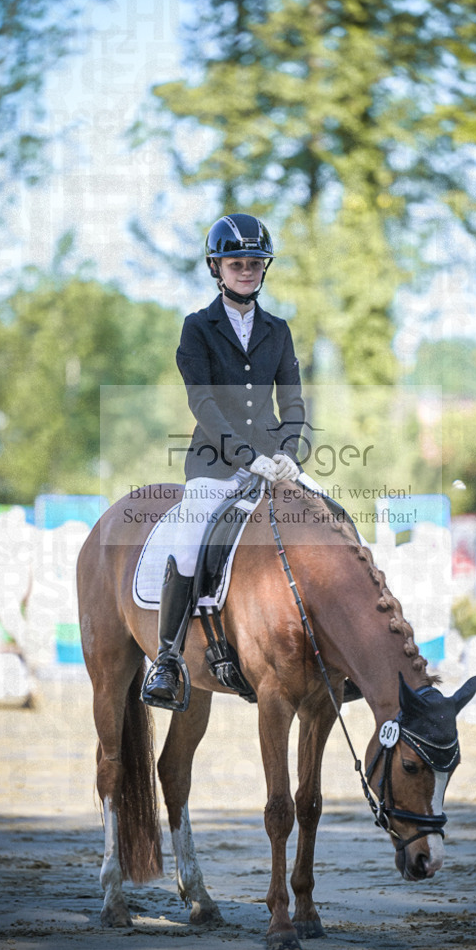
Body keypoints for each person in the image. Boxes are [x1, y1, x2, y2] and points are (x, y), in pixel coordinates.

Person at [142, 212, 306, 705]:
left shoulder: (278, 330)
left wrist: (290, 455)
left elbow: (293, 402)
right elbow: (203, 404)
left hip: (273, 464)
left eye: (255, 263)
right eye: (236, 263)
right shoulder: (197, 328)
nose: (246, 270)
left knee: (330, 522)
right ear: (217, 268)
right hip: (215, 464)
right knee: (190, 543)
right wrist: (246, 456)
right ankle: (168, 661)